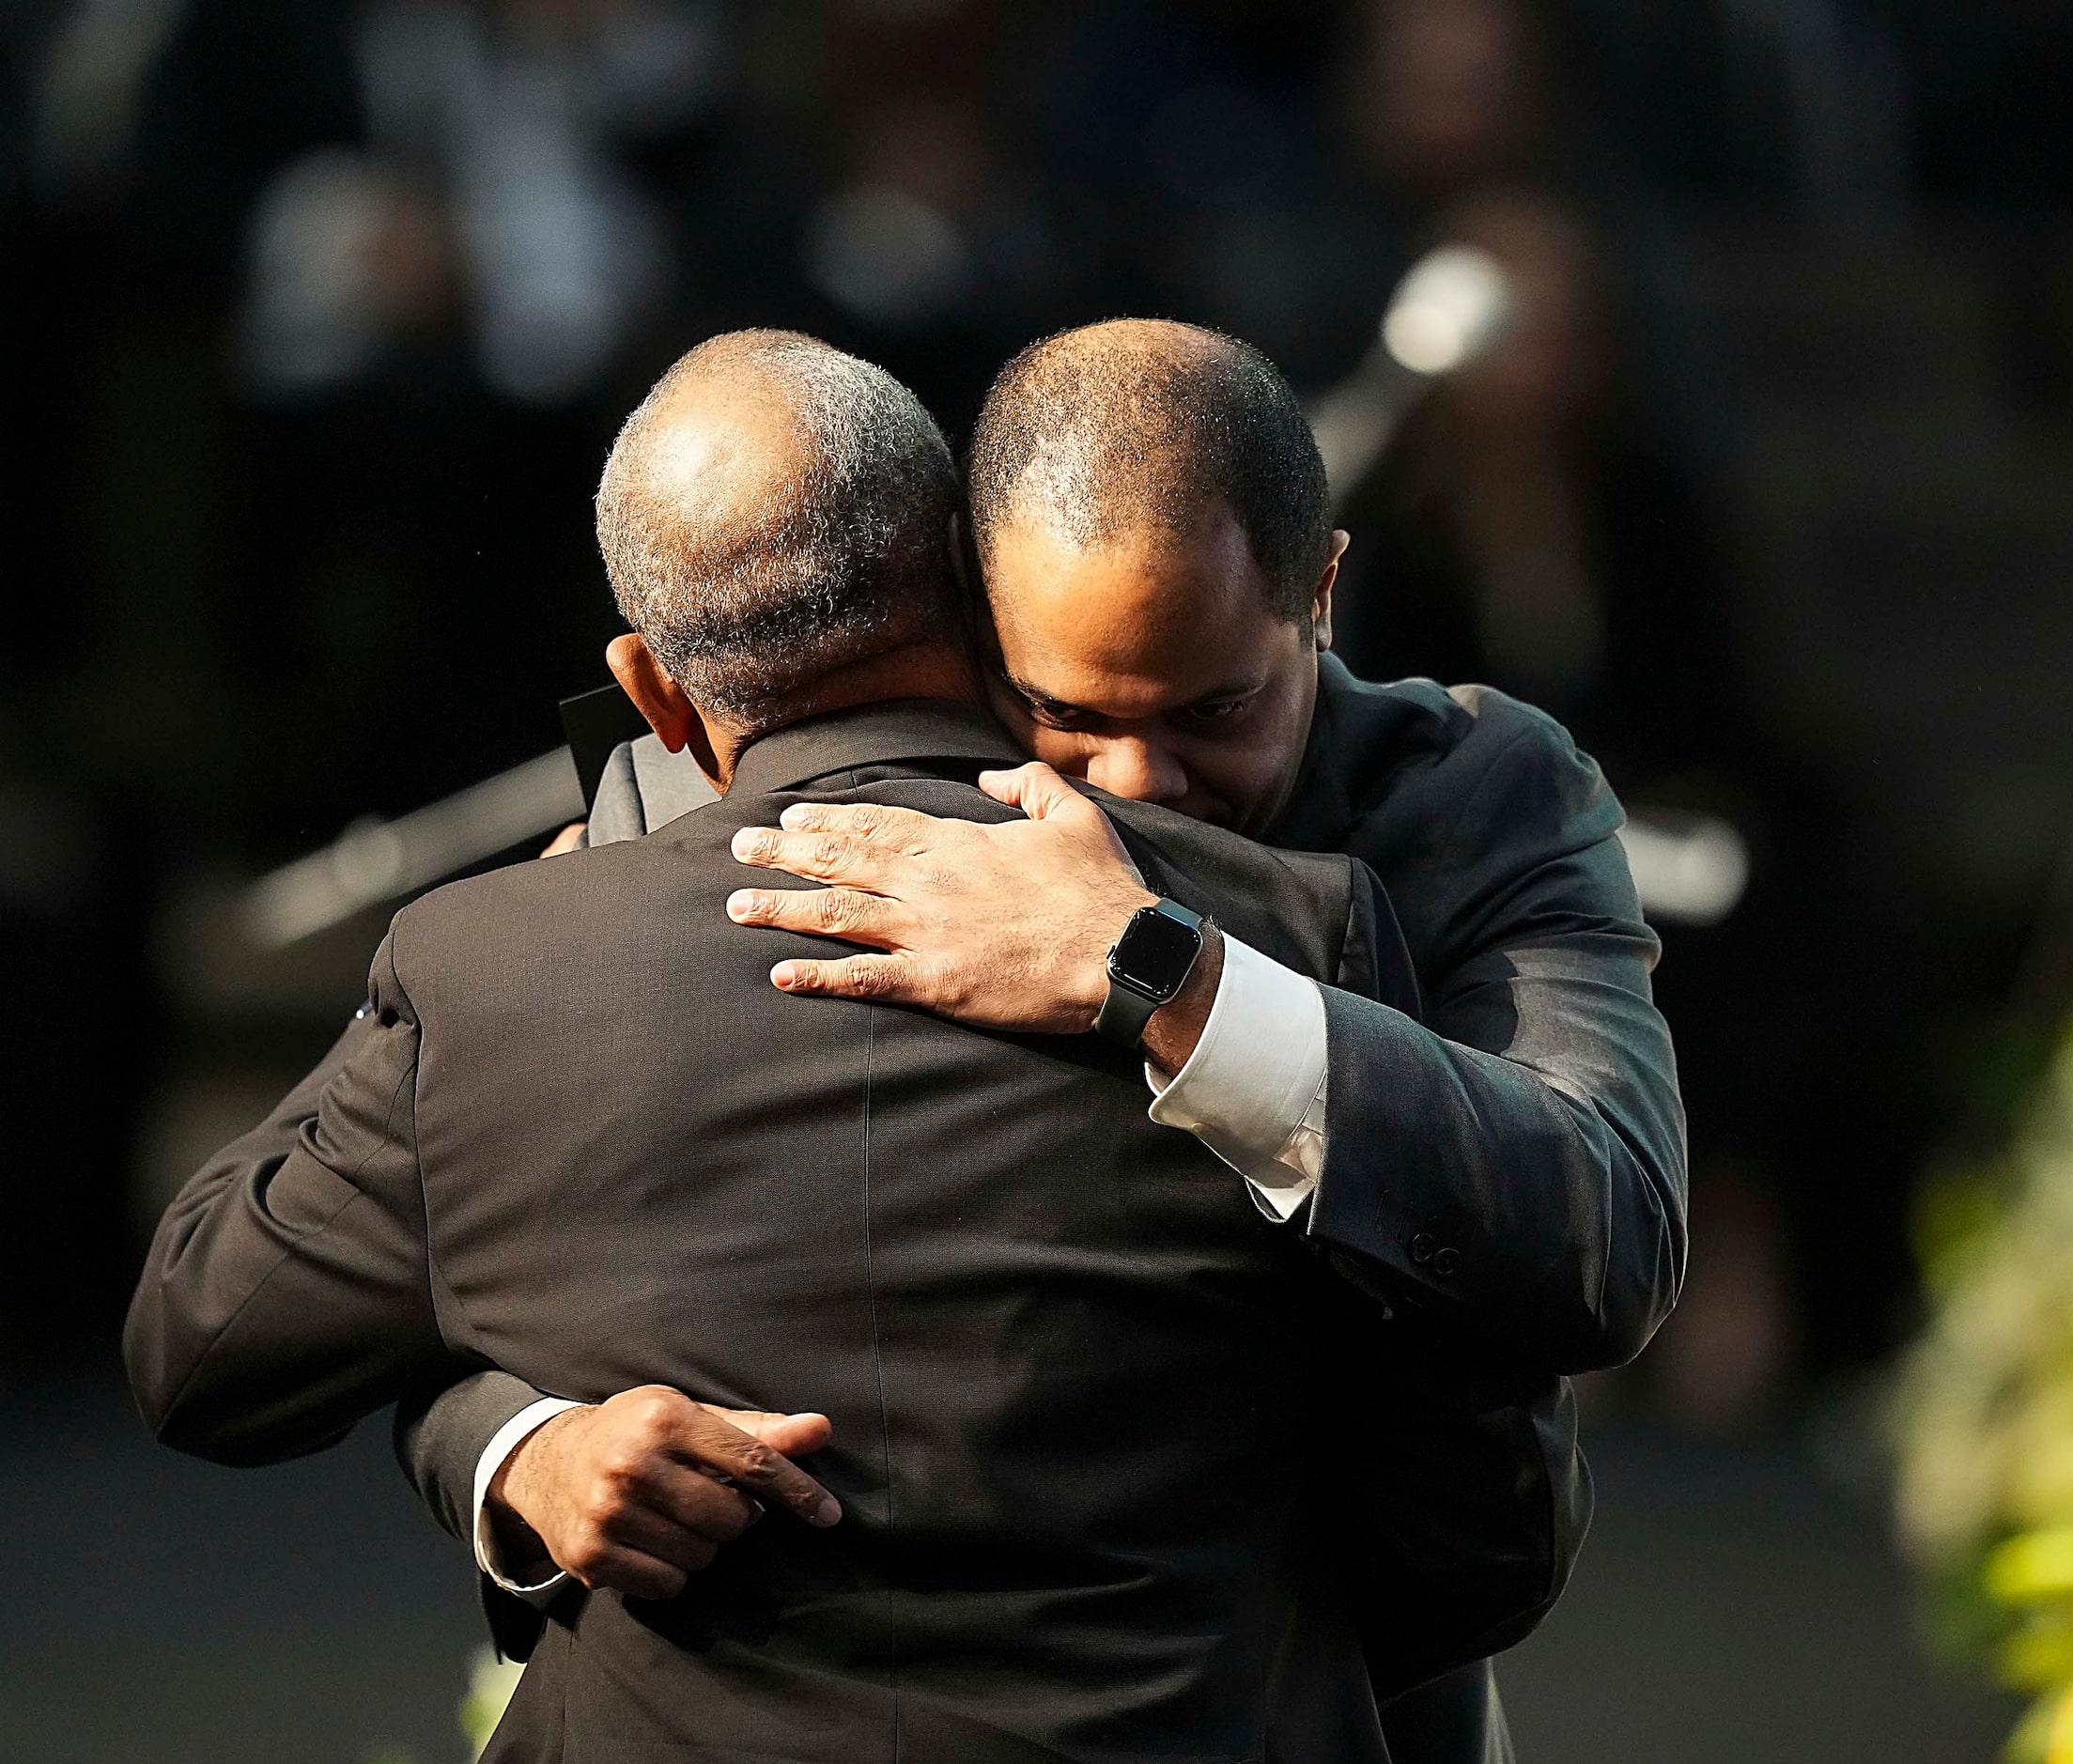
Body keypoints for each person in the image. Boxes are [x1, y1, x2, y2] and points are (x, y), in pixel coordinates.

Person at [127, 332, 1576, 1762]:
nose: (1144, 778)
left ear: (652, 690)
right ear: (969, 574)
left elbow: (201, 1339)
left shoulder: (498, 967)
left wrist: (512, 1436)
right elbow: (1480, 1530)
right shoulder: (1287, 929)